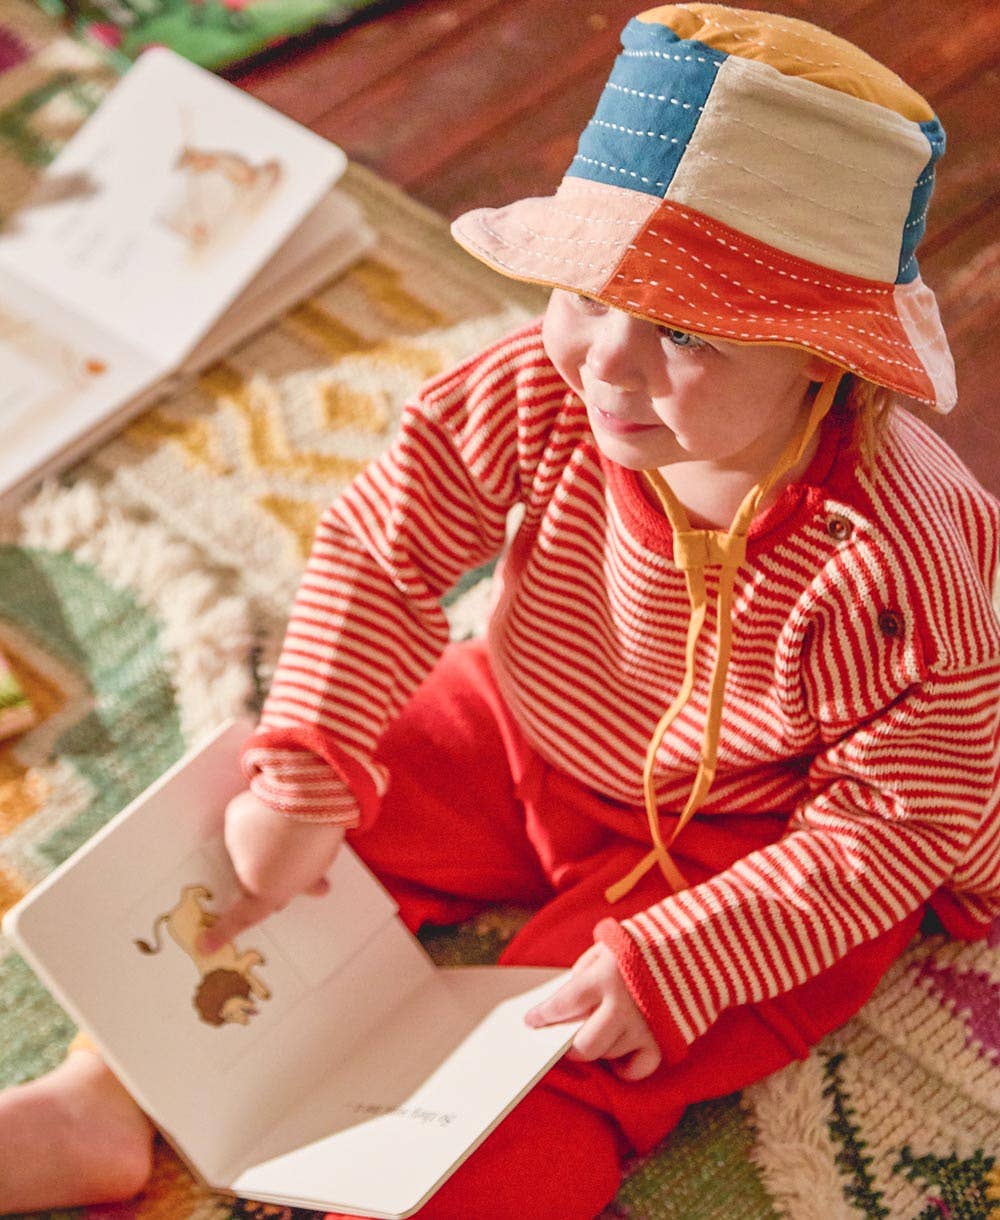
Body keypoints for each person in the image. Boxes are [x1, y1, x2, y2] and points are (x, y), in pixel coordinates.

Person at [2, 5, 999, 1218]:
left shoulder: (899, 560)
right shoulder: (542, 378)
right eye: (585, 293)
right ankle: (101, 1095)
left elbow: (894, 824)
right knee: (225, 853)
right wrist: (311, 762)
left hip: (744, 835)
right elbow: (382, 544)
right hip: (520, 721)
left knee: (555, 1056)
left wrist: (676, 960)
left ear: (822, 359)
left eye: (683, 330)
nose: (608, 363)